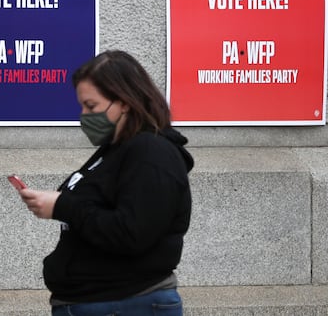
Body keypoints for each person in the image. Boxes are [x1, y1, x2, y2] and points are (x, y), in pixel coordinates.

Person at [16, 50, 194, 316]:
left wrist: (63, 206)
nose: (84, 115)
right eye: (82, 106)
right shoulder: (117, 149)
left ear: (124, 102)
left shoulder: (151, 153)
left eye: (92, 106)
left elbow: (131, 233)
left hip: (129, 304)